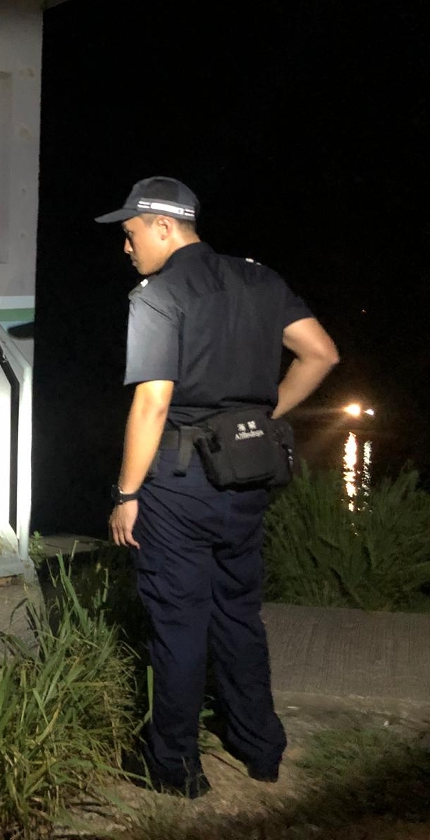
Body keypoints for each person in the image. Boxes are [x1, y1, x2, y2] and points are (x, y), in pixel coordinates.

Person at [95, 176, 339, 798]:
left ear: (163, 226)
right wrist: (262, 414)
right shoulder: (260, 279)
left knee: (179, 623)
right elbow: (321, 354)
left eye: (131, 233)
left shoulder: (158, 295)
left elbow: (153, 404)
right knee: (238, 613)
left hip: (180, 485)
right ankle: (260, 748)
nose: (126, 246)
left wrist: (126, 495)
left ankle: (174, 766)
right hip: (248, 476)